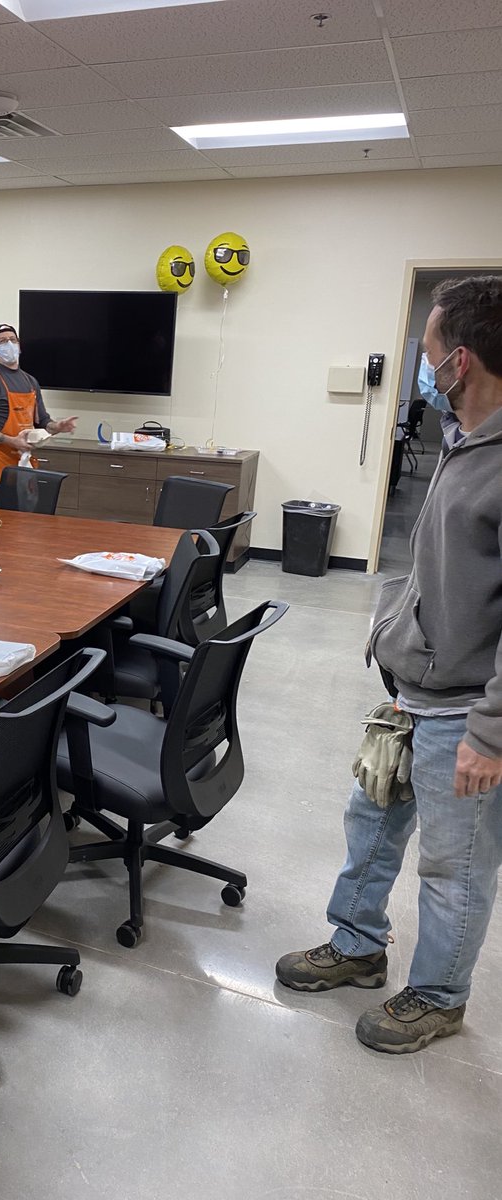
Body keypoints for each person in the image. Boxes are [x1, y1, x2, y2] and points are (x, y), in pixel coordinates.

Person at [276, 276, 502, 1054]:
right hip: (413, 689)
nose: (425, 363)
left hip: (467, 711)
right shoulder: (461, 438)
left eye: (430, 351)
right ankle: (357, 945)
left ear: (460, 361)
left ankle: (438, 995)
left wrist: (492, 734)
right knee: (370, 824)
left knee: (454, 864)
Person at [0, 323, 77, 506]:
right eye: (2, 341)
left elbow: (42, 420)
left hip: (23, 461)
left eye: (12, 340)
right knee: (1, 520)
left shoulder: (30, 381)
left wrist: (57, 427)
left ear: (19, 346)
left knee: (25, 519)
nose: (8, 344)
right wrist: (12, 441)